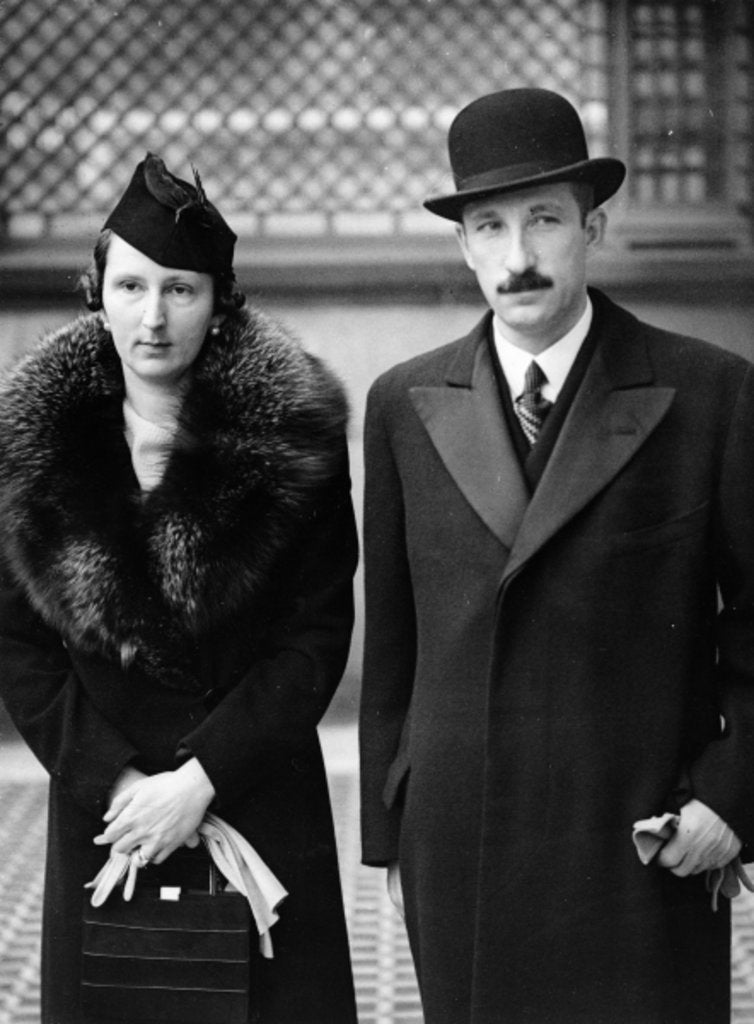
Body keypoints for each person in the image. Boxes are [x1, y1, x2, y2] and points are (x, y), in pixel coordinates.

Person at [359, 87, 754, 1024]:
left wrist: (732, 801)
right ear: (462, 245)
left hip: (638, 842)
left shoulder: (708, 393)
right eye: (488, 227)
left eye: (544, 220)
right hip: (466, 847)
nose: (518, 257)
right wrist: (391, 836)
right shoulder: (403, 404)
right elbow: (394, 646)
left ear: (594, 227)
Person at [0, 153, 358, 1024]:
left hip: (257, 800)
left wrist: (200, 780)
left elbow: (314, 639)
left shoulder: (294, 434)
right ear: (97, 293)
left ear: (220, 302)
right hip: (108, 820)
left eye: (181, 290)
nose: (152, 318)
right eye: (130, 287)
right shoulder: (30, 444)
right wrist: (120, 787)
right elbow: (17, 644)